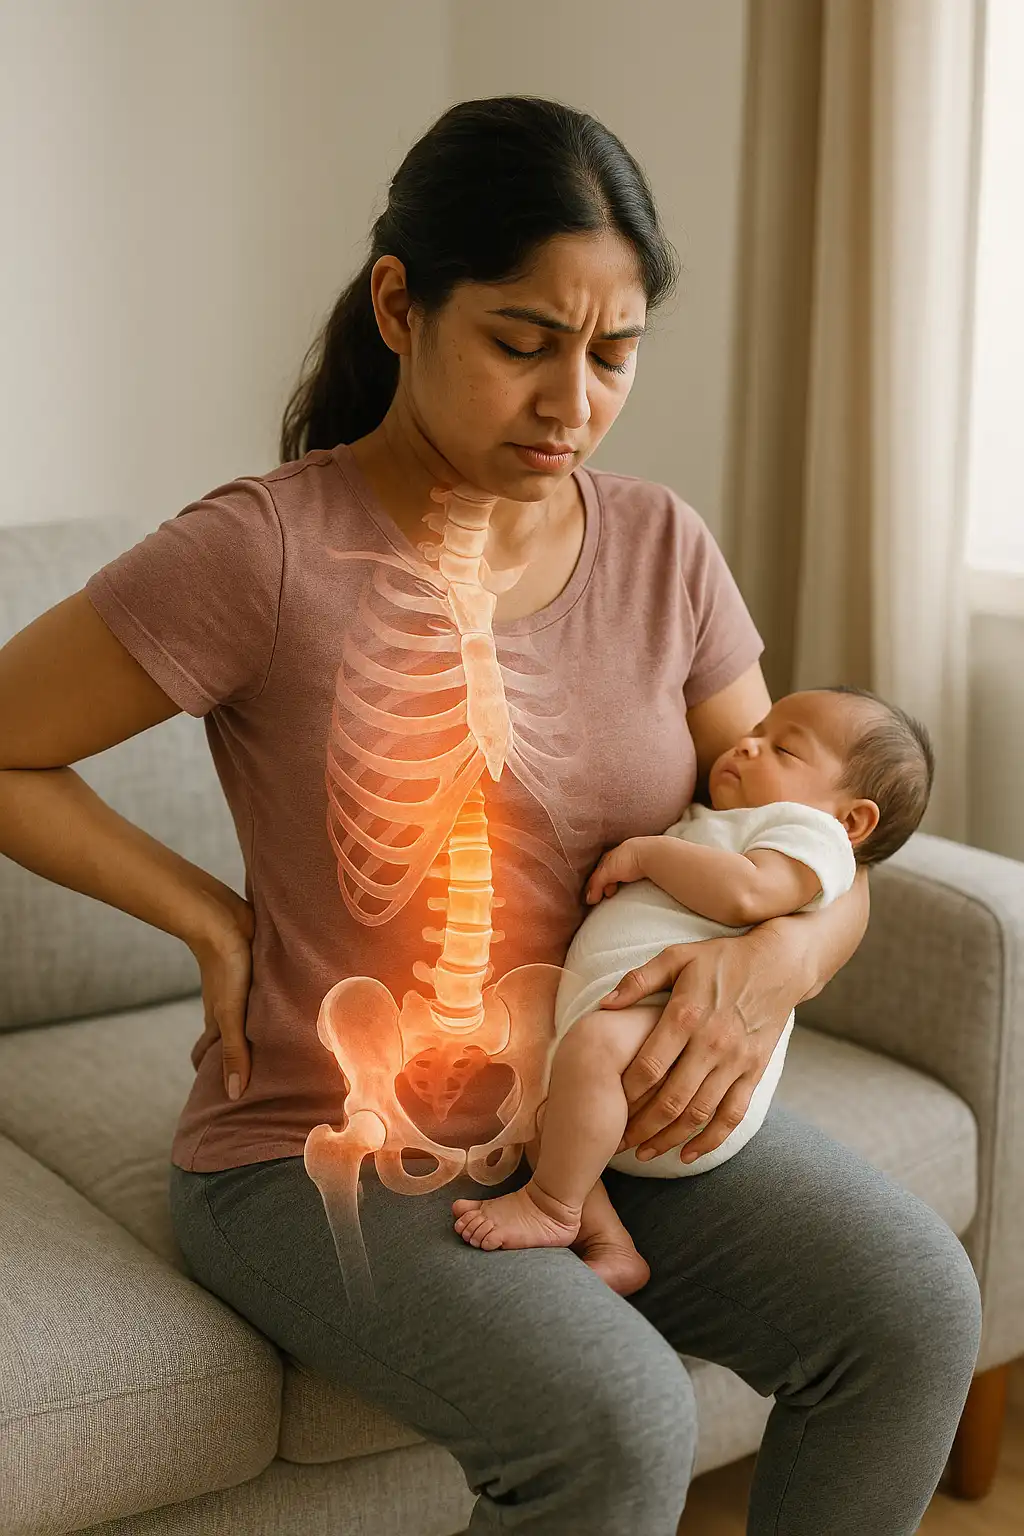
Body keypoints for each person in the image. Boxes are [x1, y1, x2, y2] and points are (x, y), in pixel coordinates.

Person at [0, 96, 980, 1534]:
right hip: (315, 1144)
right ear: (401, 304)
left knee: (911, 1309)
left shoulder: (661, 548)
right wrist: (210, 921)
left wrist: (781, 963)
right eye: (524, 343)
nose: (572, 402)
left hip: (618, 1116)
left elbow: (814, 843)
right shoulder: (260, 552)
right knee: (618, 1426)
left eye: (615, 352)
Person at [452, 686, 933, 1290]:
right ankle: (609, 1243)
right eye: (757, 728)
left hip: (674, 1045)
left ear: (852, 819)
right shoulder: (727, 822)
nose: (748, 743)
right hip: (622, 1044)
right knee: (531, 1104)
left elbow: (748, 893)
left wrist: (646, 855)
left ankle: (552, 1206)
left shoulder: (810, 837)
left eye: (784, 747)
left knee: (593, 1049)